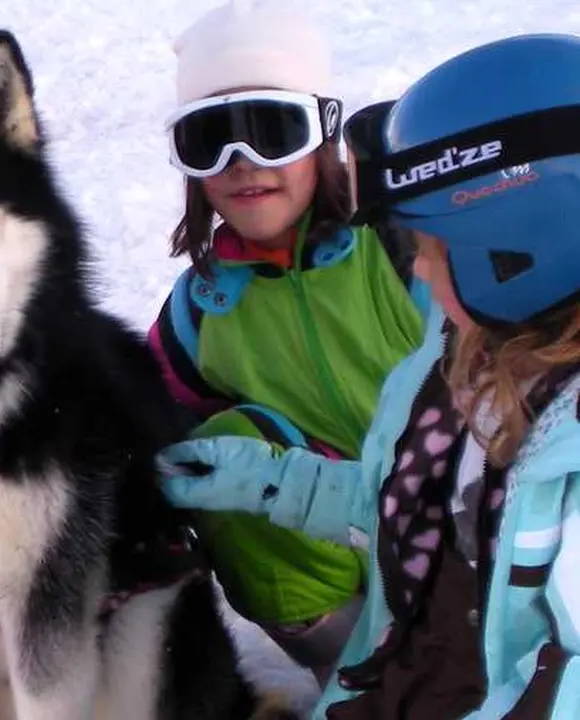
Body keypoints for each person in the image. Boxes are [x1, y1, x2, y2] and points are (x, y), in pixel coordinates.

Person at [158, 32, 580, 719]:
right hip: (397, 657)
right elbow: (396, 503)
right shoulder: (445, 377)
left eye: (435, 247)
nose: (417, 265)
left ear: (517, 249)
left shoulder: (562, 461)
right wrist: (266, 479)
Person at [148, 0, 430, 683]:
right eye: (209, 138)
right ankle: (365, 677)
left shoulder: (406, 251)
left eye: (272, 129)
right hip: (341, 566)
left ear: (324, 132)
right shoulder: (204, 305)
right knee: (214, 448)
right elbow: (135, 413)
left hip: (471, 532)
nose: (242, 164)